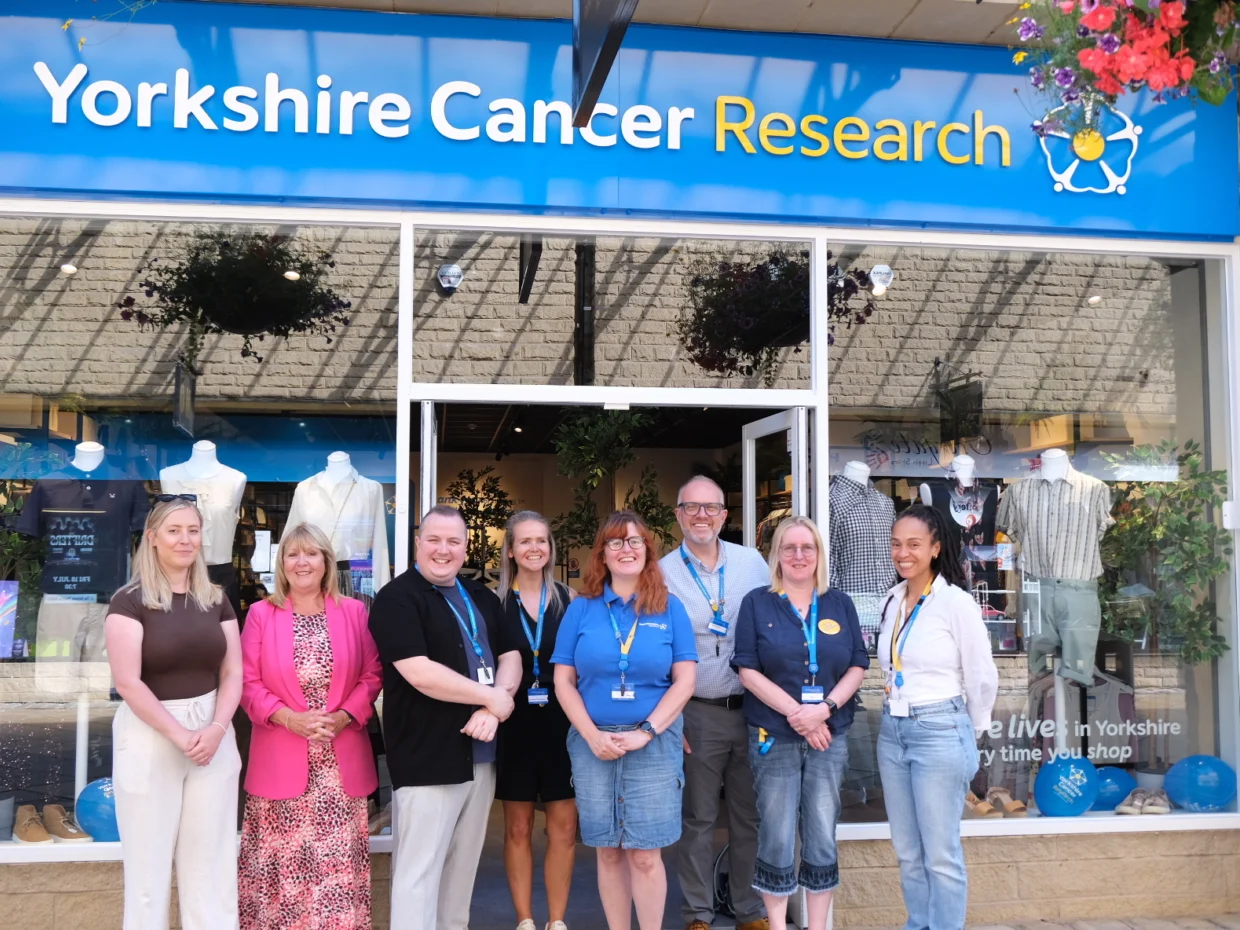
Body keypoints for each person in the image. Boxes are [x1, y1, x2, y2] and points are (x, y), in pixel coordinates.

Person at [367, 504, 524, 930]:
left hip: (481, 754)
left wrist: (496, 703)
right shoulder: (396, 598)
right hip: (427, 756)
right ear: (417, 543)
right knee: (419, 874)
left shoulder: (481, 596)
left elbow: (511, 656)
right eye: (433, 539)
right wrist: (492, 699)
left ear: (466, 546)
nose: (443, 550)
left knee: (461, 873)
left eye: (453, 541)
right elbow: (419, 673)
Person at [552, 510, 697, 930]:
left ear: (647, 550)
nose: (626, 549)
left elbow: (685, 680)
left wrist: (647, 732)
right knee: (608, 851)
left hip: (653, 746)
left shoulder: (670, 609)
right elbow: (563, 680)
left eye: (635, 541)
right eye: (616, 542)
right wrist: (591, 734)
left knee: (645, 854)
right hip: (593, 745)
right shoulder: (582, 609)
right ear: (603, 553)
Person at [104, 495, 243, 930]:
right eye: (174, 531)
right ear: (153, 538)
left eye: (193, 530)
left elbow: (233, 670)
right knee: (148, 867)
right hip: (152, 732)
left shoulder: (215, 598)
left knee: (213, 862)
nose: (185, 540)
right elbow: (128, 682)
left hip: (213, 733)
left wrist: (218, 728)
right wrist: (181, 736)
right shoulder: (128, 601)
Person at [237, 522, 383, 930]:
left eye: (311, 554)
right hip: (281, 760)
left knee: (334, 876)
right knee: (285, 872)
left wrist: (344, 716)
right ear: (282, 564)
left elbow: (372, 674)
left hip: (339, 768)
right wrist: (290, 719)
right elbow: (246, 683)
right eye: (292, 554)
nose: (302, 562)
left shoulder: (353, 612)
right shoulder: (261, 615)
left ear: (326, 562)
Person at [732, 515, 869, 930]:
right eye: (788, 548)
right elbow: (747, 669)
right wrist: (799, 715)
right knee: (776, 832)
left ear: (819, 555)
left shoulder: (839, 602)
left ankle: (816, 925)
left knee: (822, 831)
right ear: (775, 555)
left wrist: (823, 710)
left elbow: (858, 664)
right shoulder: (757, 602)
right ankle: (777, 925)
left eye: (807, 547)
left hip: (830, 733)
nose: (798, 555)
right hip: (774, 735)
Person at [877, 504, 998, 930]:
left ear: (935, 548)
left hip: (939, 730)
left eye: (913, 544)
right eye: (896, 544)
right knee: (908, 851)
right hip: (893, 731)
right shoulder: (892, 600)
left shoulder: (955, 602)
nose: (903, 553)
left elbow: (982, 675)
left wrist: (972, 729)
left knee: (941, 855)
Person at [658, 476, 770, 930]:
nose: (701, 516)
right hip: (696, 713)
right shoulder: (661, 572)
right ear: (678, 515)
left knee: (750, 817)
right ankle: (698, 914)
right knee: (698, 820)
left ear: (726, 515)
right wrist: (670, 719)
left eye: (711, 508)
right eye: (692, 508)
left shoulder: (753, 563)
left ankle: (749, 910)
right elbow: (653, 649)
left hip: (755, 710)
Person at [495, 511, 578, 930]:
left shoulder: (570, 600)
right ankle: (525, 919)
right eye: (525, 541)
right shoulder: (493, 604)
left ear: (550, 549)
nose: (534, 548)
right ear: (511, 549)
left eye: (541, 541)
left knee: (563, 829)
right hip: (514, 727)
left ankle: (557, 920)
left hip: (563, 726)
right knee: (519, 828)